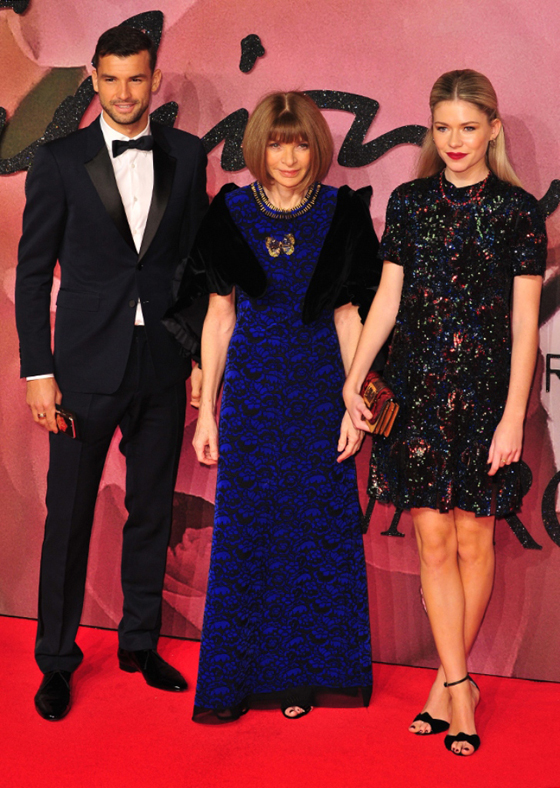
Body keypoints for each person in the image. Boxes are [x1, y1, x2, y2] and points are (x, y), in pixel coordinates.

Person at [344, 69, 547, 755]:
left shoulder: (519, 212)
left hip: (488, 398)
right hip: (418, 393)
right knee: (432, 541)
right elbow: (388, 301)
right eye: (442, 127)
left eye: (468, 127)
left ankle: (445, 684)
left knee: (473, 541)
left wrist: (514, 416)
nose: (455, 141)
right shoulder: (408, 203)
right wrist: (355, 376)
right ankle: (460, 685)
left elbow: (524, 326)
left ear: (493, 129)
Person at [15, 25, 208, 721]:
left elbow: (193, 266)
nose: (125, 92)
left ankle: (139, 644)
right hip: (81, 370)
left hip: (161, 365)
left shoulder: (188, 155)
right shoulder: (59, 159)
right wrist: (38, 371)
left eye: (137, 78)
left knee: (152, 511)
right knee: (67, 519)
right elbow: (32, 274)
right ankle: (56, 661)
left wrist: (195, 357)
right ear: (94, 78)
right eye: (112, 78)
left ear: (154, 79)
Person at [170, 91, 379, 721]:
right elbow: (219, 316)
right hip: (253, 393)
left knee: (316, 533)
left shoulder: (342, 212)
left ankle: (304, 674)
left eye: (301, 143)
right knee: (250, 532)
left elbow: (349, 317)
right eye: (277, 143)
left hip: (320, 389)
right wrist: (208, 411)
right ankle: (242, 676)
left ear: (318, 148)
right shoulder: (231, 211)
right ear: (258, 147)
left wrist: (353, 401)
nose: (288, 157)